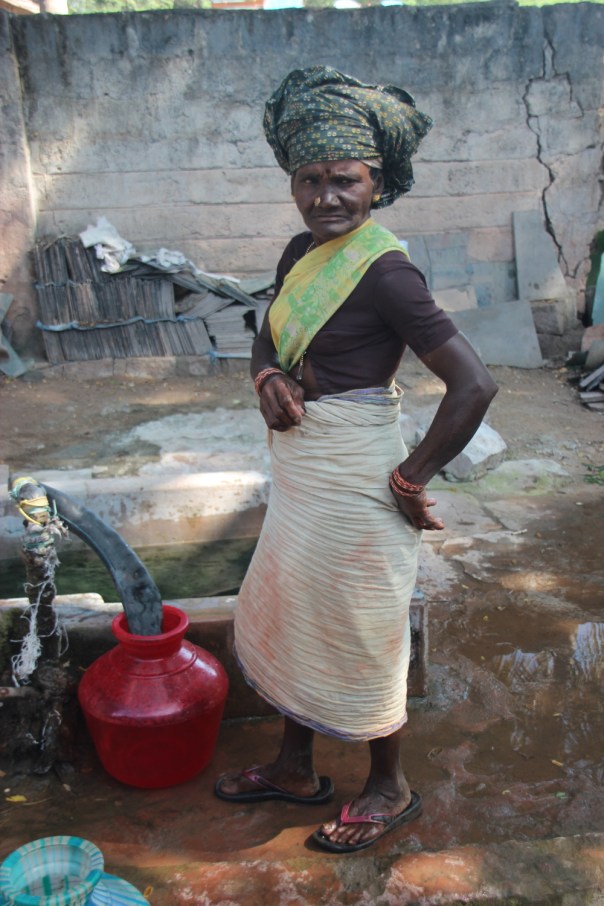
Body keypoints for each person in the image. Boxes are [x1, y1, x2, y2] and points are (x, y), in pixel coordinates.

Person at [214, 66, 498, 854]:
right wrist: (267, 374)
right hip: (302, 479)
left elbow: (474, 385)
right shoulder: (302, 252)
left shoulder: (385, 271)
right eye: (309, 181)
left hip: (358, 480)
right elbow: (268, 333)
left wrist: (411, 477)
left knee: (363, 630)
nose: (325, 197)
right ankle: (295, 768)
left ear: (377, 184)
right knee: (291, 611)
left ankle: (388, 788)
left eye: (345, 180)